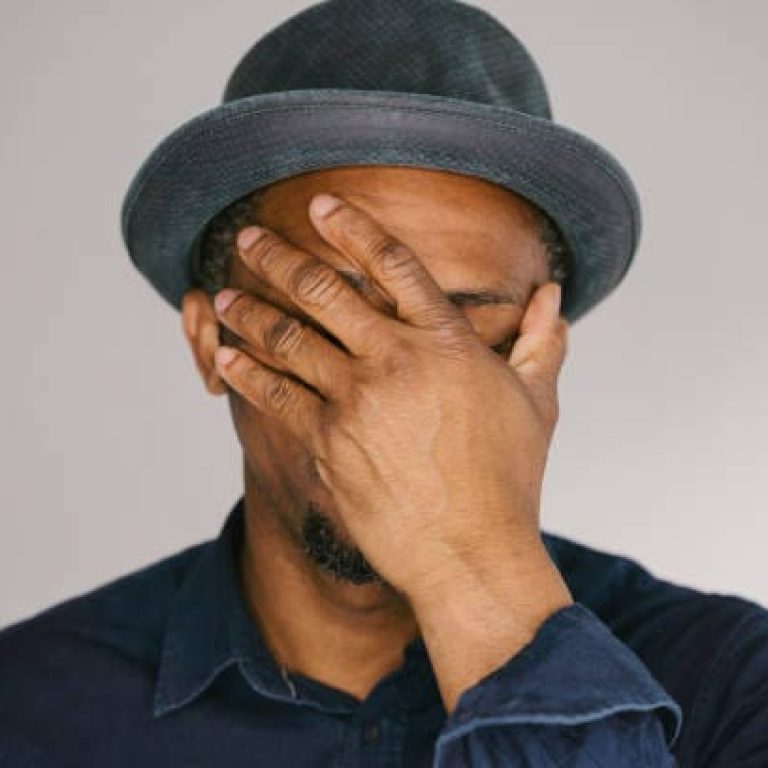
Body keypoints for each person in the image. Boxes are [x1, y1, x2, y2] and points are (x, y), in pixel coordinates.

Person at [1, 1, 766, 766]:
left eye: (461, 319)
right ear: (211, 343)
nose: (389, 391)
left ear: (541, 354)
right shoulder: (27, 709)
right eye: (321, 310)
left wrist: (468, 564)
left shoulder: (732, 683)